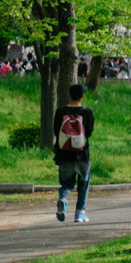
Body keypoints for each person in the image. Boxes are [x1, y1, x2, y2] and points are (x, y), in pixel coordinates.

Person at [53, 83, 95, 223]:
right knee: (83, 183)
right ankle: (80, 214)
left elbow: (56, 131)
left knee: (66, 184)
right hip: (82, 154)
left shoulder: (60, 112)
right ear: (83, 96)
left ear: (69, 94)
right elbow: (88, 132)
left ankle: (63, 200)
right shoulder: (87, 112)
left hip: (64, 154)